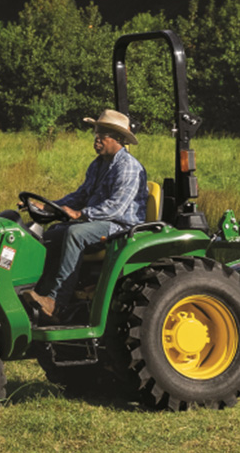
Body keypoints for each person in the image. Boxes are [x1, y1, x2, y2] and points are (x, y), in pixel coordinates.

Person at [21, 108, 147, 322]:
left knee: (75, 234)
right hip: (99, 221)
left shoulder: (128, 168)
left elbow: (115, 208)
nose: (96, 139)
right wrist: (48, 208)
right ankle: (37, 294)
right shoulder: (98, 165)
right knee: (52, 234)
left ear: (117, 138)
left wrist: (81, 214)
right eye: (96, 133)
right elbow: (80, 195)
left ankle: (56, 302)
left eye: (102, 135)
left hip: (120, 226)